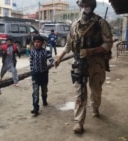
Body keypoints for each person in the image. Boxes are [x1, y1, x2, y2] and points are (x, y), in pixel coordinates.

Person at [54, 0, 113, 134]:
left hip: (96, 63)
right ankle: (78, 122)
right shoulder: (75, 25)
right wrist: (59, 58)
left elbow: (108, 44)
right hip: (79, 63)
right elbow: (68, 45)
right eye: (82, 5)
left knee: (96, 90)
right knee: (80, 93)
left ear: (92, 6)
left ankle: (95, 106)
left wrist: (91, 51)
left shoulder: (100, 23)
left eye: (87, 5)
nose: (84, 8)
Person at [30, 35, 55, 116]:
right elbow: (31, 62)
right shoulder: (32, 51)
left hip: (44, 74)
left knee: (44, 90)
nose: (36, 44)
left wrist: (55, 63)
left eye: (38, 42)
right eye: (35, 42)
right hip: (35, 75)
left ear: (42, 43)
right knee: (35, 92)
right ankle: (35, 108)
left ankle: (44, 99)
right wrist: (32, 71)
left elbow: (51, 59)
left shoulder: (46, 51)